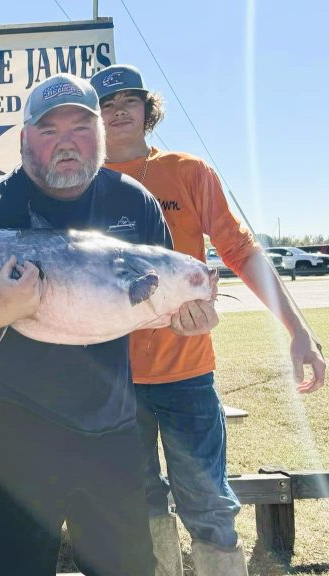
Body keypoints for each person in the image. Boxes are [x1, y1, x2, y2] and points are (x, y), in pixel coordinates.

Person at [0, 73, 217, 576]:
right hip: (13, 432)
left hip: (110, 430)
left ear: (100, 134)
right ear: (25, 138)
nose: (66, 142)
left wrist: (178, 320)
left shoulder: (134, 203)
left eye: (80, 127)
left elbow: (146, 307)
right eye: (49, 130)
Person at [91, 64, 326, 576]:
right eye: (105, 105)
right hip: (109, 378)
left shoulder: (187, 170)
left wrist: (298, 330)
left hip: (186, 376)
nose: (118, 112)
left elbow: (242, 252)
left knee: (209, 505)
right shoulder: (80, 183)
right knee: (138, 506)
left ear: (147, 109)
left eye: (128, 100)